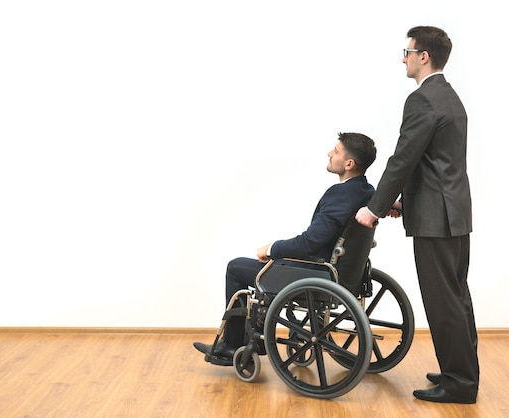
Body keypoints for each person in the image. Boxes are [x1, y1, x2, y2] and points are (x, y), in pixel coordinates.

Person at [355, 26, 479, 404]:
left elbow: (404, 159)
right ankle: (460, 371)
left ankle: (459, 384)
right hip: (453, 212)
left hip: (436, 219)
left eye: (407, 51)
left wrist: (374, 208)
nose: (404, 58)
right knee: (457, 297)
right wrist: (406, 204)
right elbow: (439, 164)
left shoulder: (423, 99)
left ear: (424, 55)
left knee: (443, 300)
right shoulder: (450, 97)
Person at [194, 132, 377, 364]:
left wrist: (272, 248)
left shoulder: (340, 194)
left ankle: (231, 346)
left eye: (336, 151)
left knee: (236, 267)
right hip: (342, 273)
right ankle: (250, 337)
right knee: (263, 266)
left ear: (349, 164)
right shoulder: (366, 191)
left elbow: (310, 242)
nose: (330, 154)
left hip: (316, 274)